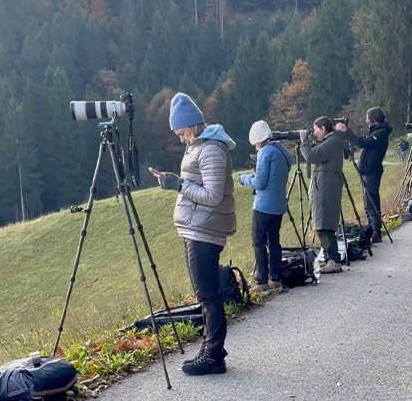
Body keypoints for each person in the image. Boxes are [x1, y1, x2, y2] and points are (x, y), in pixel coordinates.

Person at [148, 93, 236, 376]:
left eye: (182, 132)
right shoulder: (199, 146)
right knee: (205, 294)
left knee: (209, 295)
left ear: (195, 125)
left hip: (205, 229)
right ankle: (211, 349)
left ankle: (213, 356)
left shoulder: (210, 149)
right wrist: (174, 183)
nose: (181, 139)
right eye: (177, 134)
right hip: (196, 227)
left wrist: (178, 184)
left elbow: (211, 195)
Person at [238, 120, 290, 292]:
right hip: (279, 205)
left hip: (263, 206)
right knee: (274, 242)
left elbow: (260, 182)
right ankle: (276, 279)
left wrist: (244, 179)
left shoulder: (264, 152)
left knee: (259, 242)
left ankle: (262, 282)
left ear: (257, 140)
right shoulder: (282, 151)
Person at [299, 116, 355, 274]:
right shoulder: (332, 141)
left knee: (324, 223)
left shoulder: (331, 142)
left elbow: (312, 156)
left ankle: (334, 260)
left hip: (326, 187)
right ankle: (330, 258)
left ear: (323, 129)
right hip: (325, 185)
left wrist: (304, 142)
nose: (314, 132)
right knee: (322, 221)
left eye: (316, 129)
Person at [343, 107, 392, 241]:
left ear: (373, 119)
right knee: (367, 202)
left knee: (371, 202)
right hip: (367, 171)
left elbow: (362, 142)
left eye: (367, 117)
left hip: (372, 171)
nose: (366, 121)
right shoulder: (376, 132)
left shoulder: (380, 133)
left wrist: (346, 132)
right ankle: (372, 228)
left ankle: (376, 230)